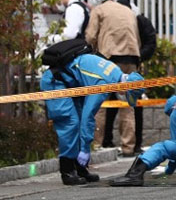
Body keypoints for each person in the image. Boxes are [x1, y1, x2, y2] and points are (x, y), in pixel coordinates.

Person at [40, 53, 144, 185]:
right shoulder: (104, 84)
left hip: (71, 84)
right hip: (56, 82)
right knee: (71, 123)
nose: (123, 95)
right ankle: (67, 170)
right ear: (125, 87)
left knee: (76, 121)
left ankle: (79, 168)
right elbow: (87, 118)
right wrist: (84, 149)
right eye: (127, 94)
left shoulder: (116, 71)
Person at [86, 0, 142, 156]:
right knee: (127, 104)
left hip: (109, 59)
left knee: (100, 103)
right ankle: (128, 147)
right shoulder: (128, 10)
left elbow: (90, 36)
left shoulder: (99, 10)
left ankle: (96, 144)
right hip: (132, 58)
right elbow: (137, 38)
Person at [101, 0, 157, 150]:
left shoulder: (139, 20)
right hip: (122, 64)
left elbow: (150, 43)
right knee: (114, 104)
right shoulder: (127, 20)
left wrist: (138, 56)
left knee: (132, 105)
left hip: (128, 65)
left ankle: (134, 143)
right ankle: (109, 140)